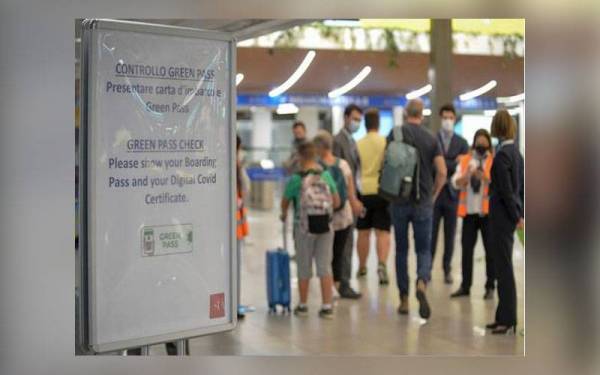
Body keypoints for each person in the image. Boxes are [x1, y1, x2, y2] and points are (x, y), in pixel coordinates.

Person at [388, 98, 447, 319]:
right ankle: (422, 282)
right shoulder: (431, 138)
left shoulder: (394, 134)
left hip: (399, 201)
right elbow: (442, 172)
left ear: (405, 113)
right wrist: (433, 195)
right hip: (422, 202)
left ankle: (403, 299)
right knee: (423, 249)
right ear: (422, 114)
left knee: (401, 250)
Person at [280, 141, 341, 319]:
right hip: (325, 227)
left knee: (303, 265)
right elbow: (336, 202)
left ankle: (303, 305)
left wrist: (284, 214)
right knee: (324, 266)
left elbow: (285, 202)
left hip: (303, 228)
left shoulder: (296, 179)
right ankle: (327, 306)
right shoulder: (326, 176)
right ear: (315, 156)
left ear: (299, 156)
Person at [486, 109, 524, 334]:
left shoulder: (502, 155)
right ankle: (503, 315)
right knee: (503, 265)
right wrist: (520, 212)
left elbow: (506, 191)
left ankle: (508, 319)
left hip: (502, 216)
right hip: (510, 216)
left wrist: (515, 214)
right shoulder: (516, 154)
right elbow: (520, 188)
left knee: (504, 267)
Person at [314, 130, 364, 299]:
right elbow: (351, 192)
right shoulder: (343, 164)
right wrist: (355, 203)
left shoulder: (317, 167)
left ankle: (329, 292)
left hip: (323, 217)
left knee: (325, 254)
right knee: (341, 252)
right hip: (344, 216)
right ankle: (339, 285)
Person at [449, 129, 496, 299]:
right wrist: (467, 176)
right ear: (474, 143)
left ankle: (490, 286)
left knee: (491, 251)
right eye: (478, 143)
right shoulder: (465, 160)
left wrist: (484, 177)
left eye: (484, 143)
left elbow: (499, 183)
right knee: (466, 250)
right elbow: (454, 182)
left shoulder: (494, 161)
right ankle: (465, 286)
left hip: (487, 214)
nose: (481, 146)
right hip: (469, 213)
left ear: (489, 144)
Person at [431, 104, 469, 284]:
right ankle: (427, 269)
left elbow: (464, 166)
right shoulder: (432, 140)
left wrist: (445, 163)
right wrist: (452, 162)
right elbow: (432, 164)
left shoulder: (461, 142)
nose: (447, 121)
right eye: (445, 117)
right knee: (431, 234)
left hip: (453, 195)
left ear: (455, 119)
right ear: (440, 118)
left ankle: (447, 269)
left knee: (450, 235)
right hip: (435, 194)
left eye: (450, 118)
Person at [355, 109, 391, 284]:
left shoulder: (358, 144)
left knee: (363, 233)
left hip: (363, 192)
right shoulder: (385, 142)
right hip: (382, 191)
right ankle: (382, 265)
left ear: (365, 124)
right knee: (382, 232)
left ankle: (362, 266)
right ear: (379, 123)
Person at [332, 104, 363, 287]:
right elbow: (339, 174)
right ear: (345, 118)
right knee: (344, 243)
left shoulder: (352, 141)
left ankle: (345, 280)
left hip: (353, 197)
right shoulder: (338, 141)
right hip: (344, 200)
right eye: (354, 119)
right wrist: (349, 199)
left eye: (359, 120)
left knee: (349, 241)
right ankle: (342, 282)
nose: (356, 123)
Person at [236, 135, 250, 318]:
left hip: (236, 228)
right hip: (223, 230)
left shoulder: (237, 168)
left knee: (235, 268)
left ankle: (235, 303)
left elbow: (245, 189)